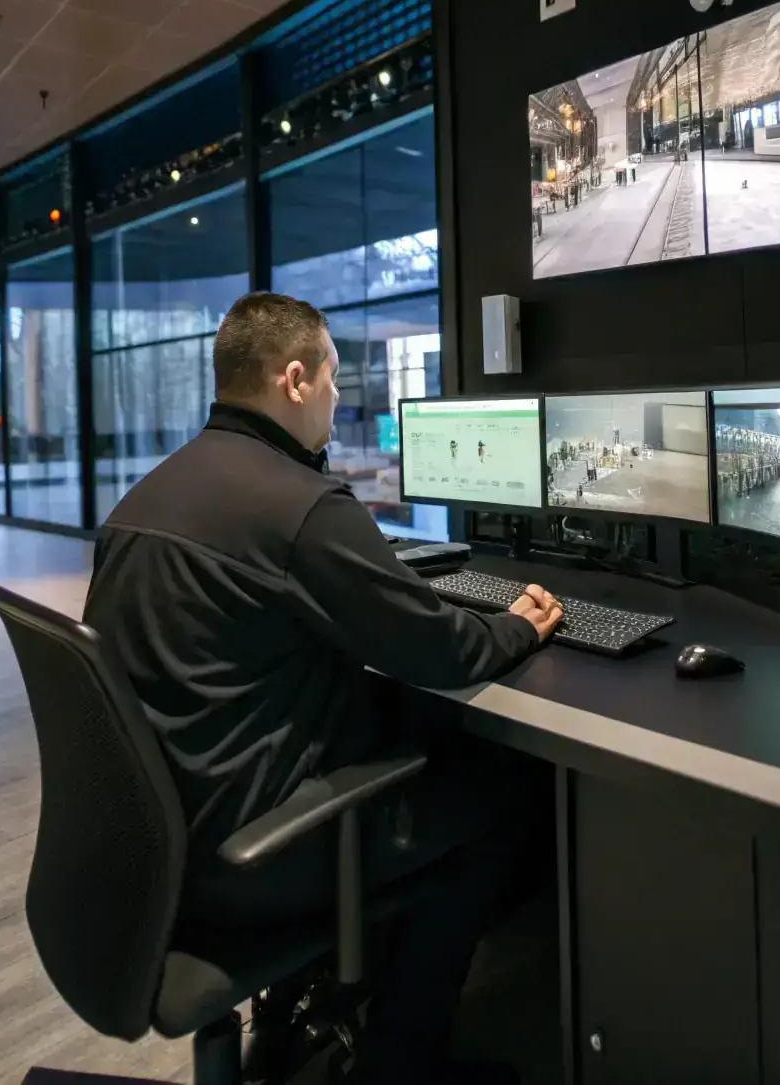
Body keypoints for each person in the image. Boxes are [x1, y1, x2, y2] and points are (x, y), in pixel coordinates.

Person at [84, 292, 563, 1085]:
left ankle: (294, 1020)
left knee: (417, 741)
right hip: (253, 853)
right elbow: (438, 648)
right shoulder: (299, 506)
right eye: (337, 380)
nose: (340, 403)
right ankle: (397, 1061)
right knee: (503, 793)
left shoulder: (146, 499)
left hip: (158, 839)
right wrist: (521, 623)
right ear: (295, 379)